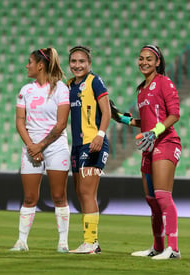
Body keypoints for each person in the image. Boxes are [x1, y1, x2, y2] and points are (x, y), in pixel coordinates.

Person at [111, 45, 181, 260]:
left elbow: (174, 114)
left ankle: (173, 249)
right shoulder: (142, 89)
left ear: (158, 62)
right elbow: (146, 122)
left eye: (149, 59)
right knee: (152, 200)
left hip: (166, 142)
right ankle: (158, 247)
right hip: (149, 146)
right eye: (141, 58)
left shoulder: (164, 82)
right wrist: (121, 118)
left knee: (162, 196)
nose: (144, 62)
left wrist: (154, 132)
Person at [10, 47, 71, 253]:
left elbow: (61, 124)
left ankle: (63, 242)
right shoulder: (25, 90)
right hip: (31, 147)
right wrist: (31, 146)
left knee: (58, 196)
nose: (27, 66)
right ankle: (21, 242)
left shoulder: (61, 89)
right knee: (29, 197)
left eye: (29, 62)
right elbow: (19, 121)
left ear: (40, 65)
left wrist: (40, 146)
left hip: (55, 148)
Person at [66, 45, 111, 254]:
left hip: (93, 143)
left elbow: (107, 111)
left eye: (81, 61)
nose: (77, 65)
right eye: (73, 61)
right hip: (76, 146)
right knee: (80, 192)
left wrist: (100, 136)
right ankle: (91, 242)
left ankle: (91, 242)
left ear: (89, 64)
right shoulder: (69, 85)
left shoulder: (95, 81)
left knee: (87, 192)